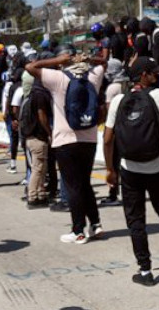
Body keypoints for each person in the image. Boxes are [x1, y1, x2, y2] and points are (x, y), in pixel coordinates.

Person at [104, 57, 159, 286]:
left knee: (136, 221)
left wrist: (110, 169)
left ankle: (145, 272)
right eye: (154, 72)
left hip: (130, 170)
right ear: (143, 75)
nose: (158, 75)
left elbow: (108, 139)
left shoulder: (118, 100)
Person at [26, 45, 106, 244]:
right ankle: (95, 224)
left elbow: (30, 67)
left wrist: (58, 61)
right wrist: (88, 58)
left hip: (65, 140)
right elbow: (104, 62)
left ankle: (78, 230)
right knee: (85, 183)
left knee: (73, 186)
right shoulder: (93, 77)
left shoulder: (58, 78)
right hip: (89, 139)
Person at [20, 70, 53, 208]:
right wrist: (50, 132)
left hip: (31, 137)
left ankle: (40, 194)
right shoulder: (40, 96)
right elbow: (42, 116)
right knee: (38, 169)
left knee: (41, 168)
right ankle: (32, 196)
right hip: (38, 137)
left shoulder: (29, 97)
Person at [100, 59, 129, 207]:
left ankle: (113, 194)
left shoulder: (112, 88)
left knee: (112, 163)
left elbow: (109, 111)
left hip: (114, 130)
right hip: (127, 129)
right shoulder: (127, 84)